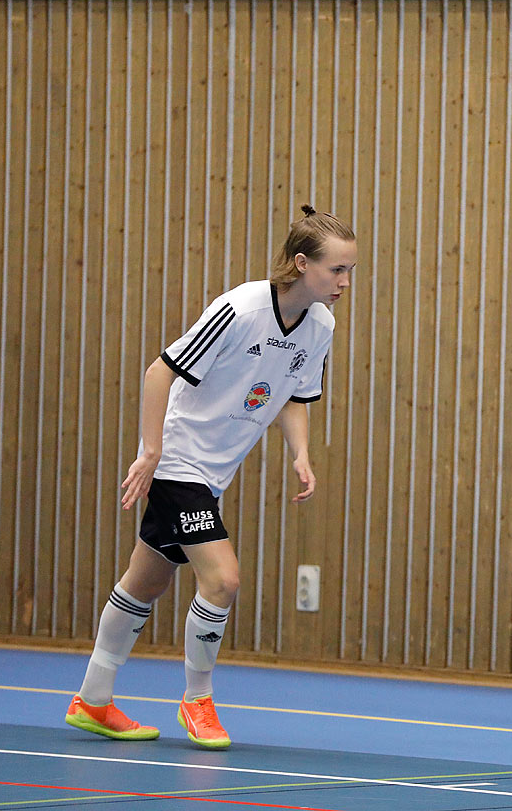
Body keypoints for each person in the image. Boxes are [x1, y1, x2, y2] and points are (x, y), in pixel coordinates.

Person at [64, 205, 356, 750]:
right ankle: (197, 700)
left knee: (146, 581)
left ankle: (92, 700)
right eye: (335, 270)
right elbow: (160, 372)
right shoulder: (240, 308)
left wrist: (301, 453)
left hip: (213, 473)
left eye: (349, 272)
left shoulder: (320, 325)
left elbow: (294, 394)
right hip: (179, 462)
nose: (343, 282)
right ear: (300, 263)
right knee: (222, 580)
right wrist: (151, 452)